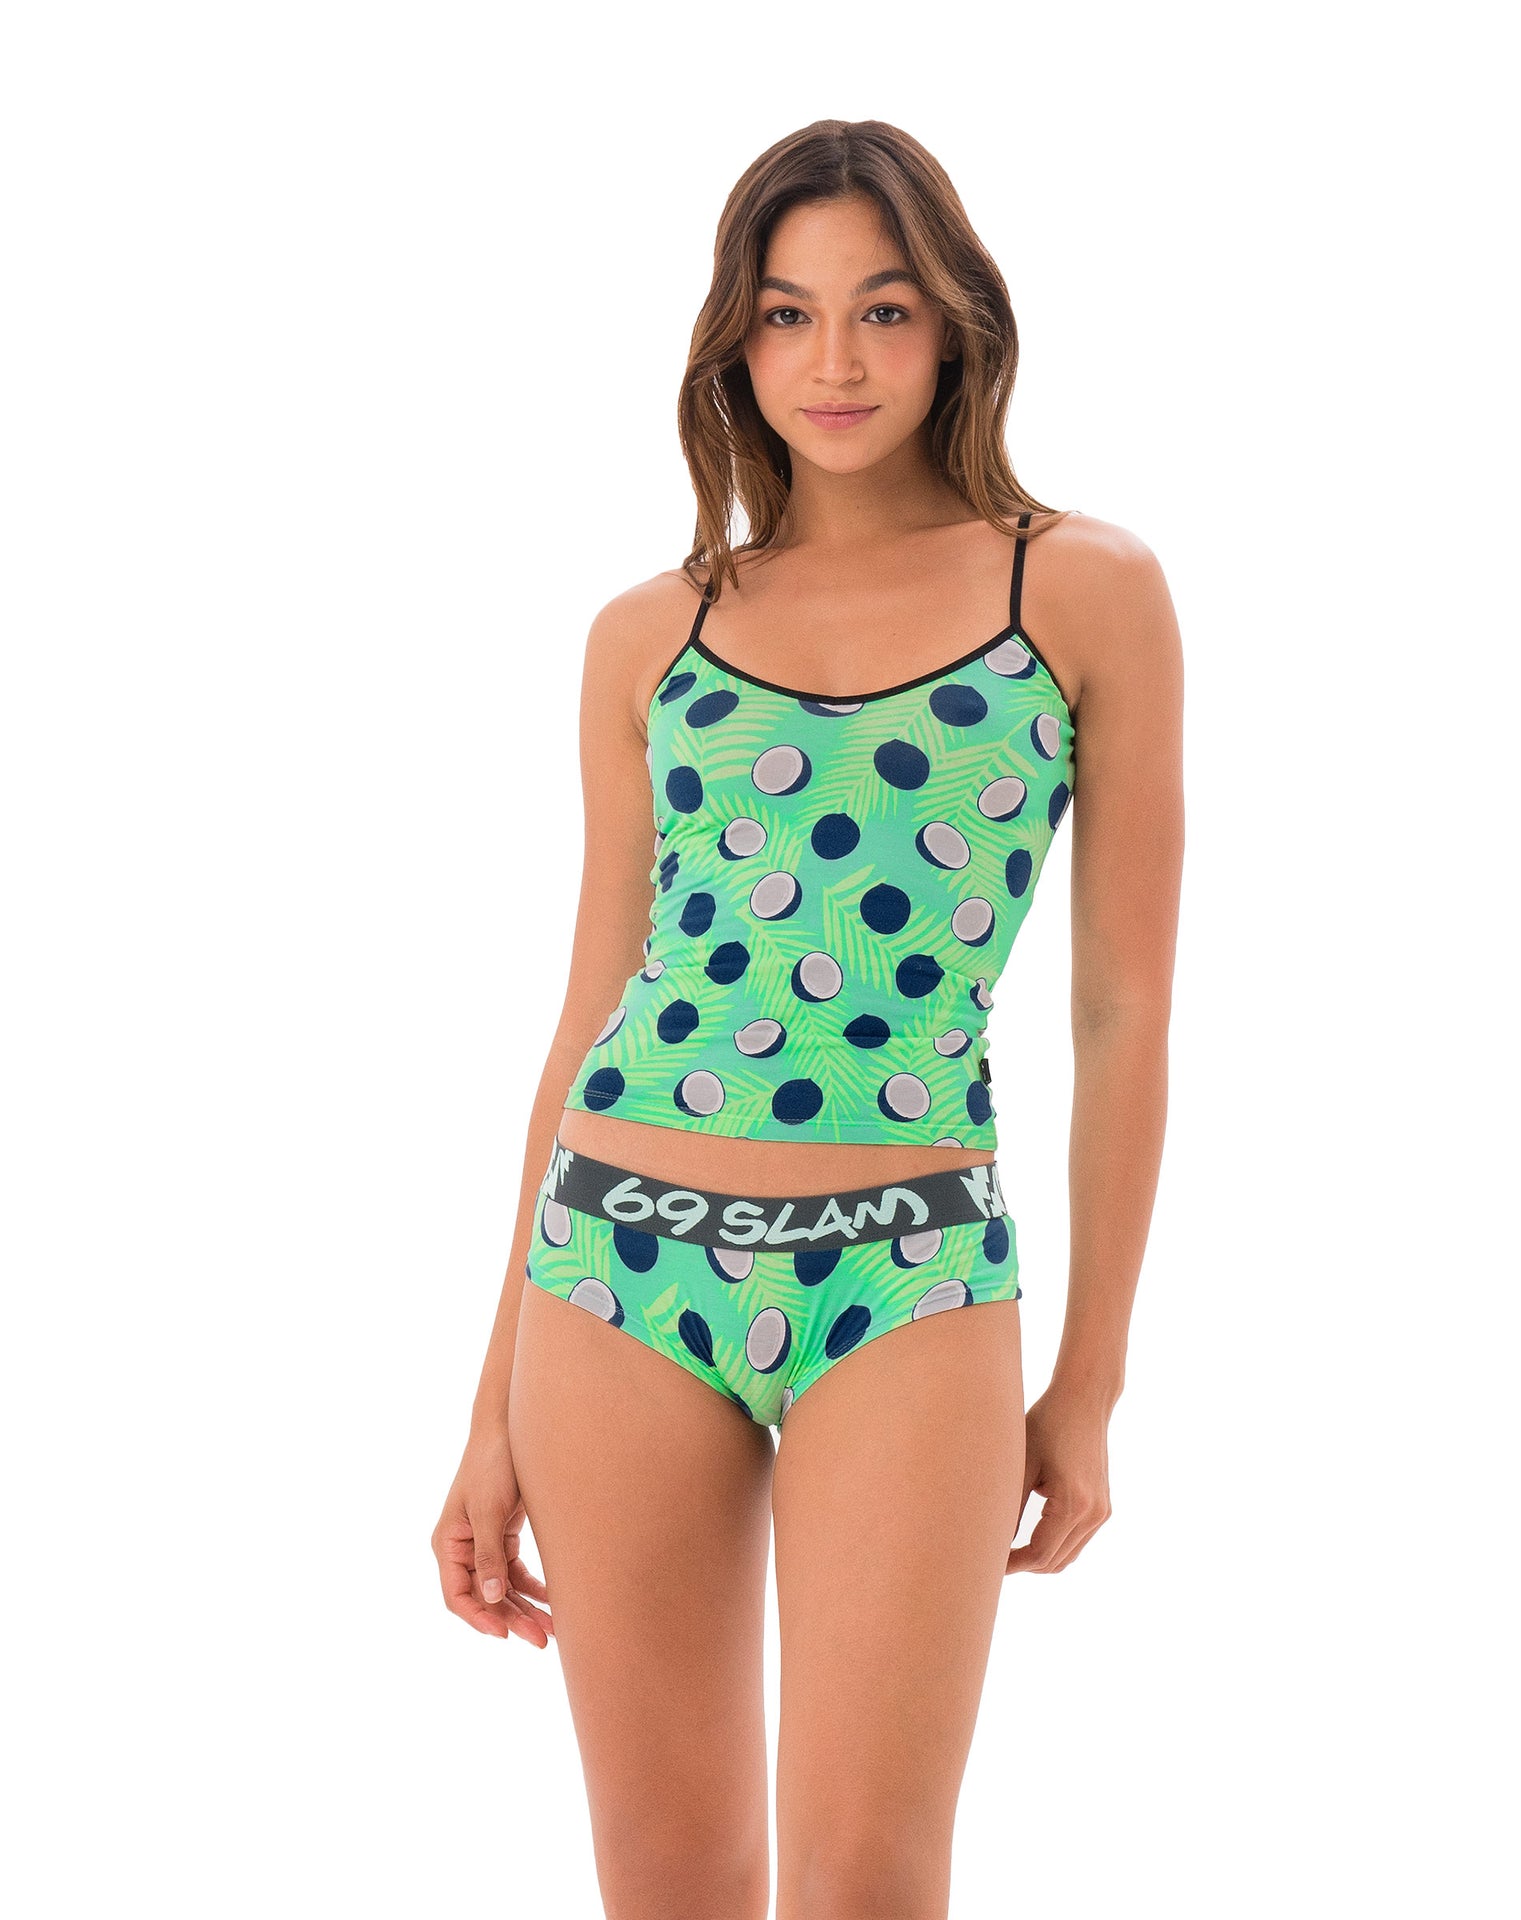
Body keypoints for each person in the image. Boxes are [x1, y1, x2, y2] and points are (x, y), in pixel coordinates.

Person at [432, 118, 1183, 1920]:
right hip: (615, 1266)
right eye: (787, 313)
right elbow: (593, 1002)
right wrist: (488, 1410)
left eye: (883, 308)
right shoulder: (651, 632)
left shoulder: (1080, 590)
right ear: (736, 341)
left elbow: (1120, 1006)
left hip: (907, 1270)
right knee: (670, 1876)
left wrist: (1091, 1379)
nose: (834, 360)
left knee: (867, 1881)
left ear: (958, 326)